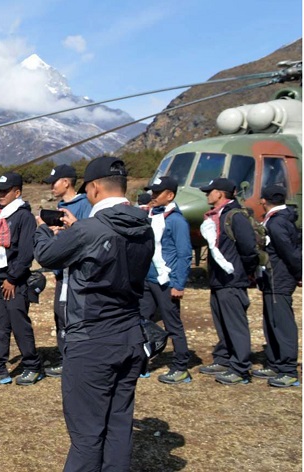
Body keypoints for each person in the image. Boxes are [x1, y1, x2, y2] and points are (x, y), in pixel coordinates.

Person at [34, 156, 153, 471]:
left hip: (92, 341)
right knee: (118, 425)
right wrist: (77, 229)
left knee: (86, 435)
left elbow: (47, 256)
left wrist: (44, 230)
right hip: (130, 335)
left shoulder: (90, 230)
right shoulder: (144, 226)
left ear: (95, 188)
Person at [0, 172, 42, 387]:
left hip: (15, 282)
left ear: (17, 192)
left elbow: (26, 252)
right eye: (0, 191)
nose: (1, 194)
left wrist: (13, 279)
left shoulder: (24, 217)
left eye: (5, 191)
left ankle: (32, 366)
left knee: (19, 326)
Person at [197, 178, 258, 385]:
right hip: (219, 281)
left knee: (235, 325)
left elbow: (249, 249)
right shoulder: (218, 216)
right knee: (222, 323)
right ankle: (224, 359)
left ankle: (241, 368)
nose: (207, 195)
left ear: (220, 194)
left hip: (232, 280)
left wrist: (244, 273)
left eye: (209, 191)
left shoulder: (235, 216)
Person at [141, 176, 192, 384]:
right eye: (152, 192)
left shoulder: (176, 221)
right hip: (147, 279)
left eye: (157, 193)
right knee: (140, 320)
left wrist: (178, 284)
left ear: (169, 195)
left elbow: (184, 254)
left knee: (173, 324)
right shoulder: (152, 216)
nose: (153, 196)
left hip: (166, 281)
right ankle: (142, 361)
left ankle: (181, 366)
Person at [43, 164, 92, 378]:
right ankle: (66, 358)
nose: (51, 187)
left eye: (54, 182)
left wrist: (73, 228)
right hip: (62, 273)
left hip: (79, 273)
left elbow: (90, 235)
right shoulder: (61, 205)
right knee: (60, 314)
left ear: (66, 182)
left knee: (77, 316)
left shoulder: (84, 205)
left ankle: (80, 360)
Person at [255, 184, 301, 388]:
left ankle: (288, 370)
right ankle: (275, 362)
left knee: (282, 324)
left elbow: (289, 252)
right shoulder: (280, 219)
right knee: (271, 321)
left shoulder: (276, 223)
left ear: (264, 200)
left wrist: (299, 273)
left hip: (279, 279)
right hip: (272, 279)